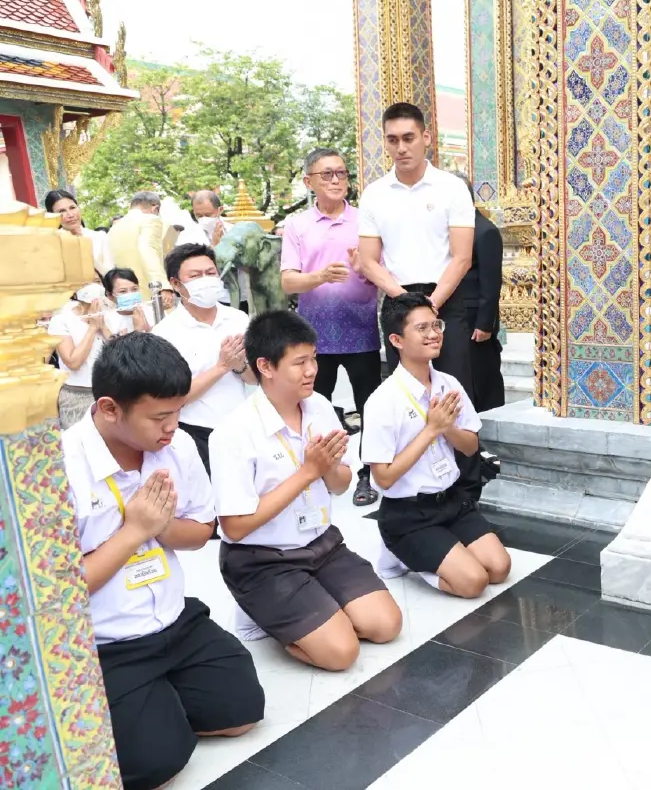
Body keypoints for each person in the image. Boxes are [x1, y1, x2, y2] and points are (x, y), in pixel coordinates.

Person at [63, 333, 263, 790]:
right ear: (110, 408)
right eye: (159, 417)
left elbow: (201, 530)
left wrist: (160, 526)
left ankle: (156, 698)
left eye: (178, 411)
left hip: (174, 620)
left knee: (242, 712)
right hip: (107, 641)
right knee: (157, 765)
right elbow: (62, 590)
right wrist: (134, 531)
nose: (173, 426)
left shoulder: (177, 447)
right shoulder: (62, 466)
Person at [210, 311, 403, 670]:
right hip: (262, 559)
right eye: (299, 362)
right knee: (341, 653)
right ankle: (261, 612)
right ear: (265, 366)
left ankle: (312, 606)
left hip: (322, 544)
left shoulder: (320, 407)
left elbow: (341, 486)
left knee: (386, 625)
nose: (312, 370)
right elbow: (234, 528)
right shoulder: (233, 433)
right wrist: (308, 471)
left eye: (313, 358)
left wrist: (328, 468)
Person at [355, 102, 480, 495]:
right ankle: (406, 483)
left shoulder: (451, 188)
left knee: (453, 389)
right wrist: (405, 302)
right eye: (392, 140)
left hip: (445, 298)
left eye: (409, 138)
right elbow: (368, 260)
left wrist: (430, 307)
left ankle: (466, 484)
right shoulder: (374, 194)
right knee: (404, 391)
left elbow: (462, 257)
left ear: (426, 137)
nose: (401, 147)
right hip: (398, 298)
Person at [361, 292, 511, 599]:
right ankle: (401, 553)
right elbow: (383, 478)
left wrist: (447, 428)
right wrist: (431, 430)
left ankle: (440, 548)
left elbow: (470, 447)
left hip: (451, 502)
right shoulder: (382, 400)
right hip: (408, 514)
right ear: (397, 340)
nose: (433, 334)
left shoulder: (448, 384)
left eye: (436, 325)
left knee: (499, 568)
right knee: (473, 583)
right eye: (422, 328)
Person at [282, 147, 382, 506]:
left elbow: (382, 272)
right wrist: (320, 276)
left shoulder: (365, 221)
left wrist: (362, 269)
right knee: (312, 408)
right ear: (308, 181)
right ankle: (319, 473)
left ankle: (367, 475)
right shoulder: (297, 225)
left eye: (341, 173)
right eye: (327, 174)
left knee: (370, 409)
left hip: (361, 331)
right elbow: (288, 282)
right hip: (314, 338)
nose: (337, 180)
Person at [152, 243, 256, 474]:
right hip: (196, 432)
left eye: (210, 273)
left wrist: (239, 366)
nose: (206, 280)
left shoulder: (238, 319)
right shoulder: (165, 333)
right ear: (176, 284)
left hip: (241, 426)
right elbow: (175, 398)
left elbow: (253, 379)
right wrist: (222, 366)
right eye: (195, 276)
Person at [453, 172, 505, 413]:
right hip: (457, 315)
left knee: (482, 374)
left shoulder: (485, 231)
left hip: (476, 319)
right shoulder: (456, 230)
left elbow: (491, 282)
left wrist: (485, 323)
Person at [49, 277, 112, 427]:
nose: (93, 286)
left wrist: (103, 327)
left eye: (97, 281)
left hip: (109, 392)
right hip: (77, 395)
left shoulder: (110, 313)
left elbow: (120, 352)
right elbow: (73, 362)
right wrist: (92, 327)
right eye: (86, 282)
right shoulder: (61, 320)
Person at [108, 191, 170, 298]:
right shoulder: (151, 220)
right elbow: (149, 250)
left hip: (125, 294)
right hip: (149, 291)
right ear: (155, 208)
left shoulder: (114, 228)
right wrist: (163, 286)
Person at [45, 188, 111, 273]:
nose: (70, 214)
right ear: (53, 216)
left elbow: (110, 274)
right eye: (62, 211)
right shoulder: (52, 244)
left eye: (72, 208)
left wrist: (84, 248)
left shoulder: (99, 237)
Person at [102, 267, 151, 337]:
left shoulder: (152, 312)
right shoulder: (107, 321)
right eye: (123, 291)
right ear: (110, 295)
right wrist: (138, 331)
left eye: (134, 289)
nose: (130, 294)